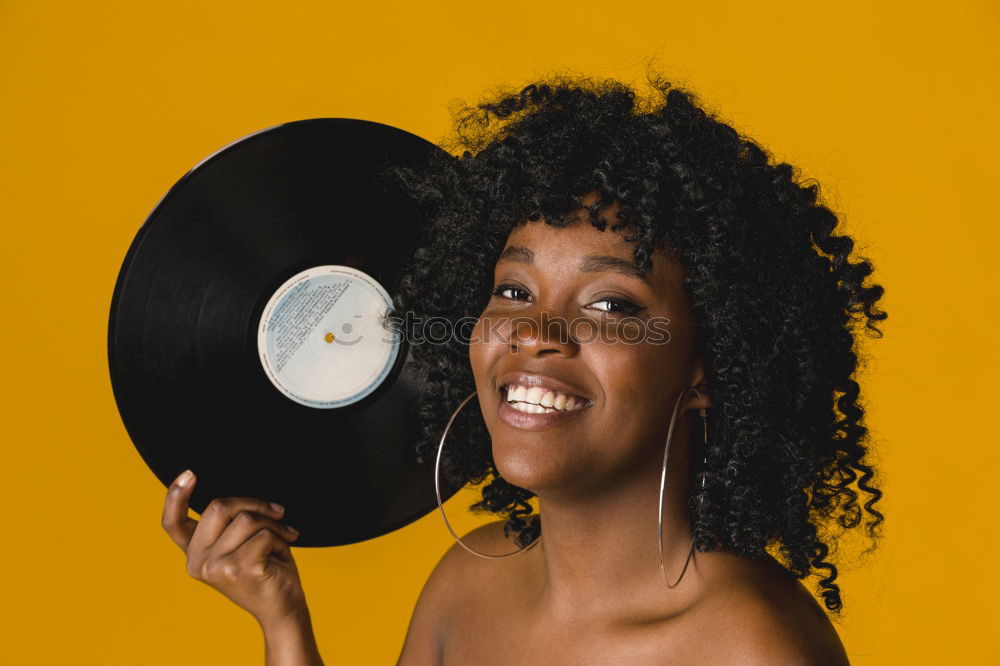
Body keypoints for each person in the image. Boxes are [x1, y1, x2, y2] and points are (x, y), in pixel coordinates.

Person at [161, 71, 887, 665]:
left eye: (609, 303)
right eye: (513, 290)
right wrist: (283, 625)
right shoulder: (470, 582)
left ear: (708, 366)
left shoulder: (752, 647)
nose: (534, 331)